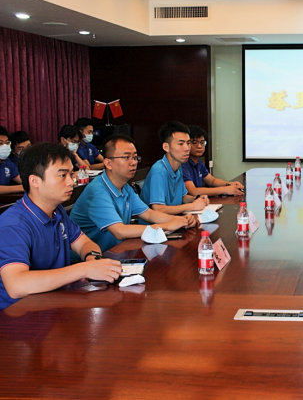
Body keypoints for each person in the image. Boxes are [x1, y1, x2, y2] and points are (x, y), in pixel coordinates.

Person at [0, 143, 123, 311]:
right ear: (34, 181)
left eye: (71, 174)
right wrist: (83, 269)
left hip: (55, 305)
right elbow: (16, 285)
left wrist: (92, 261)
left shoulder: (56, 211)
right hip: (21, 315)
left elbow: (85, 244)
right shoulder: (13, 224)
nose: (71, 181)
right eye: (62, 175)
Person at [70, 134, 199, 253]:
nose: (133, 162)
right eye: (126, 157)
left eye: (135, 157)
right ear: (108, 163)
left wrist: (181, 220)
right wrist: (166, 226)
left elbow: (149, 214)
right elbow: (119, 231)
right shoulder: (97, 191)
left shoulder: (125, 187)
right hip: (90, 259)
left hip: (116, 251)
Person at [140, 121, 209, 220]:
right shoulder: (159, 171)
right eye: (181, 144)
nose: (187, 148)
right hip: (157, 226)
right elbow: (158, 209)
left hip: (175, 220)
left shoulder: (179, 167)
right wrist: (192, 206)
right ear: (166, 147)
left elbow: (183, 197)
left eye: (188, 143)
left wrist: (197, 198)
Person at [182, 125, 244, 197]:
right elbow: (193, 191)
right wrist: (225, 189)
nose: (199, 146)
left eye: (202, 143)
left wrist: (229, 184)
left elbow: (212, 181)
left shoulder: (198, 163)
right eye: (195, 142)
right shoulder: (183, 164)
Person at [0, 126, 23, 194]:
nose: (4, 146)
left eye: (7, 143)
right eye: (0, 143)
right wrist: (21, 188)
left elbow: (20, 179)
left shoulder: (7, 162)